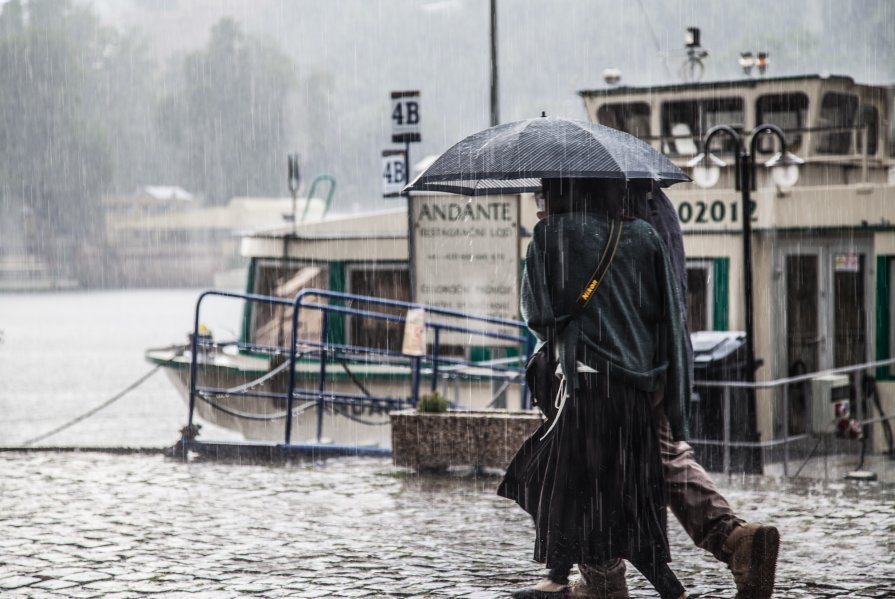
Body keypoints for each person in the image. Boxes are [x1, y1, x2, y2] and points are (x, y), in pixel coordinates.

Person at [523, 181, 780, 599]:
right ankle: (731, 541)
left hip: (590, 375)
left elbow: (538, 314)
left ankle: (610, 577)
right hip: (648, 368)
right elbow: (671, 303)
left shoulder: (555, 233)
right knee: (656, 457)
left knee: (594, 468)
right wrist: (669, 377)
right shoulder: (649, 215)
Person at [499, 177, 690, 599]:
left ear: (560, 195)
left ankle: (557, 578)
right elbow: (669, 319)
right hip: (636, 395)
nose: (539, 205)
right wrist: (675, 405)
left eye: (542, 196)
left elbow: (537, 314)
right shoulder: (643, 235)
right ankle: (665, 588)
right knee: (630, 499)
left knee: (556, 482)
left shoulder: (551, 235)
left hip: (586, 389)